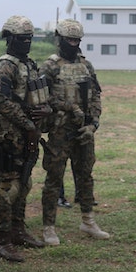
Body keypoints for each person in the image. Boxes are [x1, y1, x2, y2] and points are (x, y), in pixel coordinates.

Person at [39, 19, 109, 245]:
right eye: (69, 40)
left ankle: (88, 220)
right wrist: (69, 107)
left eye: (77, 40)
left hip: (84, 131)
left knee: (85, 176)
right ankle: (49, 226)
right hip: (60, 131)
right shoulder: (50, 66)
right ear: (59, 39)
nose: (73, 44)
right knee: (54, 178)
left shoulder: (86, 66)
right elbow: (41, 98)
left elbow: (96, 95)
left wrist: (93, 124)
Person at [0, 15, 52, 261]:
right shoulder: (6, 65)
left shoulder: (30, 64)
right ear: (10, 39)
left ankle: (18, 230)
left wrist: (44, 114)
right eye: (21, 39)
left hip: (27, 136)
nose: (26, 43)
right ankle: (2, 241)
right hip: (7, 135)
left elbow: (37, 98)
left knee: (24, 183)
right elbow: (2, 102)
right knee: (7, 187)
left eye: (29, 38)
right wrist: (28, 126)